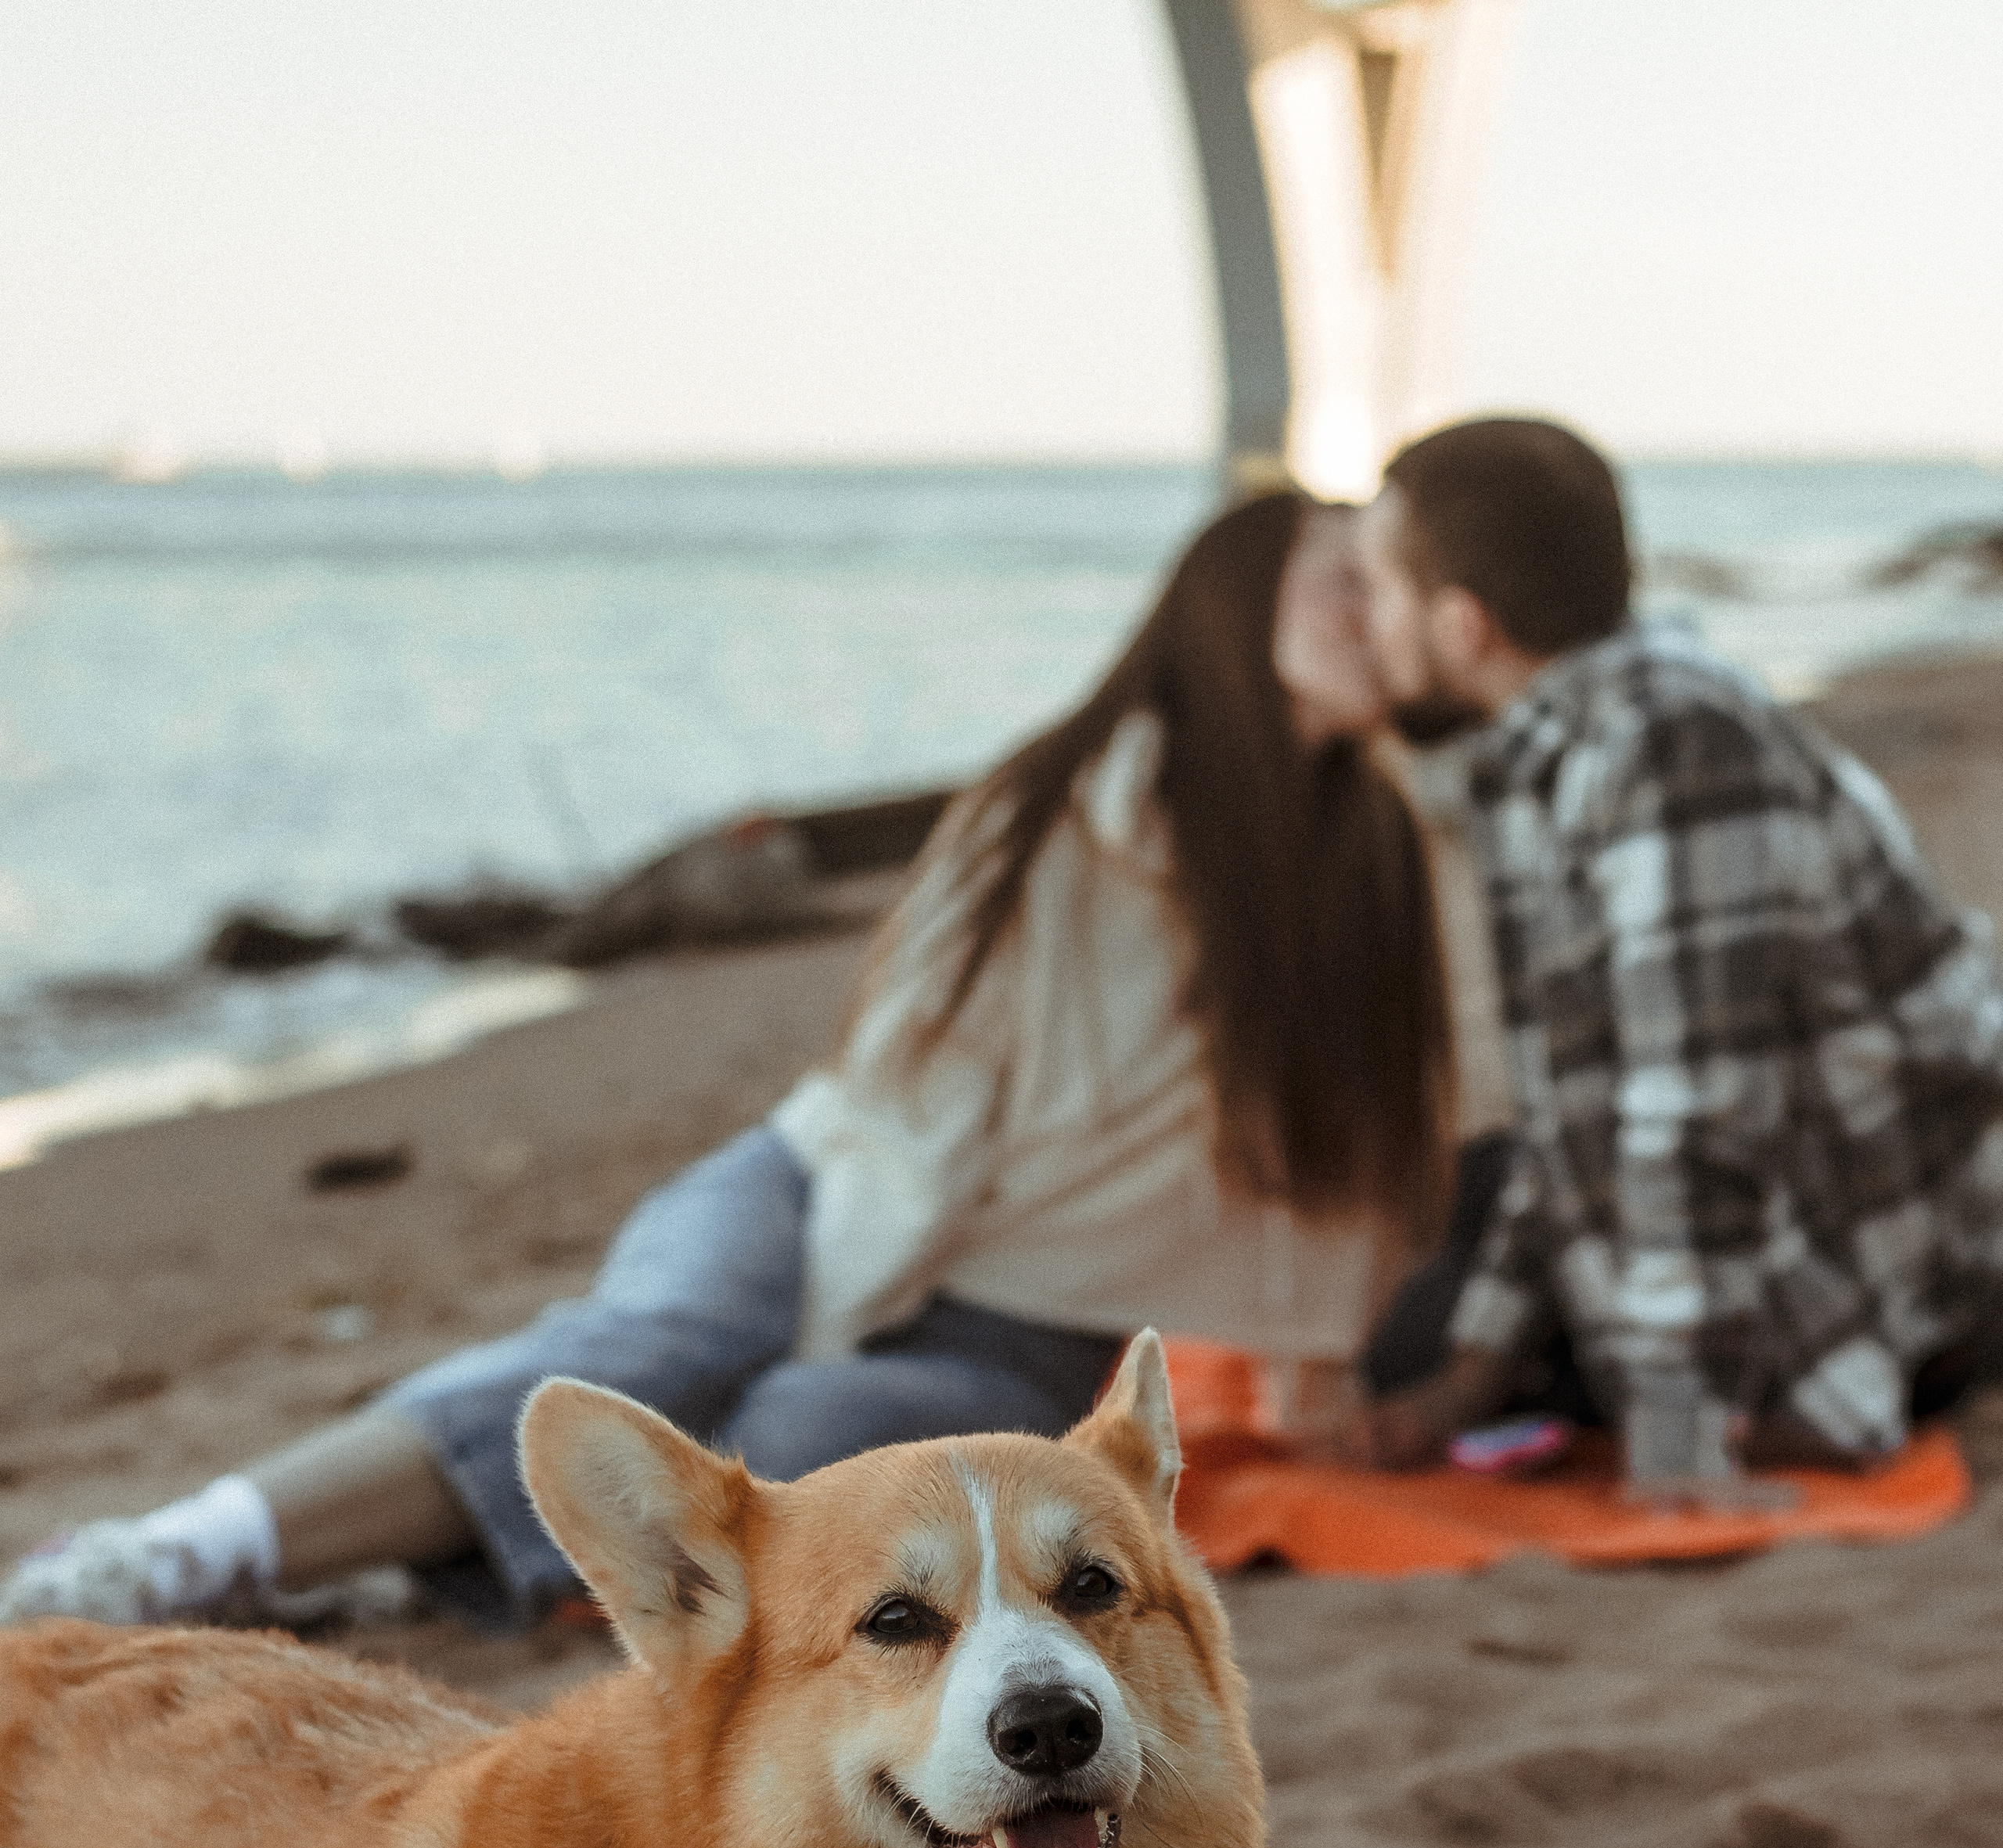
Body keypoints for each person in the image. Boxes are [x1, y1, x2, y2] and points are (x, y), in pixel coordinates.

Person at [2, 492, 1516, 1633]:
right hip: (825, 1190)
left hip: (1021, 1331)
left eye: (1391, 592)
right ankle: (183, 1549)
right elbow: (900, 1098)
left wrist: (1357, 1354)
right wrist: (833, 1307)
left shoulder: (1397, 854)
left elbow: (1420, 1134)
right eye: (1345, 584)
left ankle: (370, 1562)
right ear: (1231, 609)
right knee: (652, 1359)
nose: (1382, 615)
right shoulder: (1058, 806)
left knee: (791, 1442)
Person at [1344, 414, 2003, 1483]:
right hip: (1767, 1202)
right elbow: (1571, 1110)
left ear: (1462, 626)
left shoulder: (1675, 750)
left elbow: (1694, 1116)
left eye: (1378, 592)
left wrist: (1677, 1439)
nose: (1366, 626)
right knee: (1424, 1311)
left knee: (1416, 1316)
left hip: (1886, 1278)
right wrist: (1474, 1375)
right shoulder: (1537, 757)